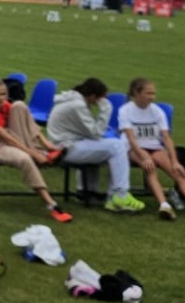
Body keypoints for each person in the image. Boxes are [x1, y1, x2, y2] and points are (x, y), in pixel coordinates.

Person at [0, 75, 72, 221]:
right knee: (25, 159)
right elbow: (5, 138)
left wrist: (46, 142)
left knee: (19, 105)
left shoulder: (4, 104)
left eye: (4, 94)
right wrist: (32, 153)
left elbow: (22, 122)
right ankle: (51, 205)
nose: (1, 98)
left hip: (11, 135)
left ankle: (46, 150)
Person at [45, 79, 142, 212]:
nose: (100, 102)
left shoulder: (72, 100)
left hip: (63, 145)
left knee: (106, 147)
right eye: (101, 98)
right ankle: (120, 195)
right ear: (92, 96)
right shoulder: (78, 105)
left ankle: (87, 192)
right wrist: (106, 109)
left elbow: (89, 134)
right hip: (64, 149)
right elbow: (96, 134)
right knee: (117, 146)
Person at [118, 79, 185, 220]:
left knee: (177, 172)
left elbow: (166, 138)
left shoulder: (157, 111)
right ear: (136, 93)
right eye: (148, 93)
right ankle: (164, 205)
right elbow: (131, 138)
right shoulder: (125, 110)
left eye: (154, 94)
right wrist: (144, 156)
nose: (152, 97)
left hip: (154, 147)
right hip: (133, 148)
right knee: (150, 168)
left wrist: (175, 161)